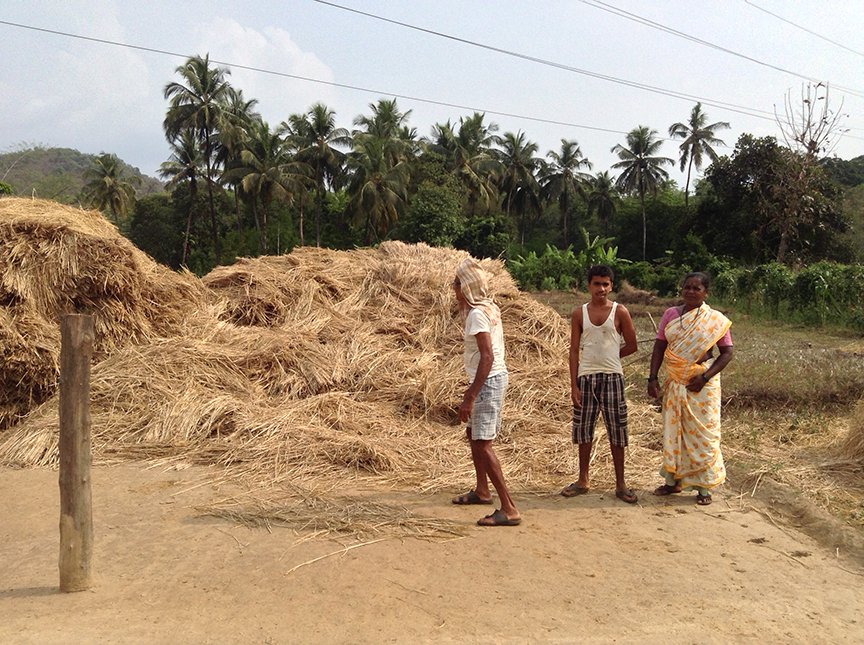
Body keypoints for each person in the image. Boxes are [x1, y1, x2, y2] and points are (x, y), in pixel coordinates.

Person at [647, 272, 734, 506]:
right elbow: (659, 347)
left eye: (697, 288)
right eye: (687, 287)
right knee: (674, 431)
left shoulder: (714, 319)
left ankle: (703, 487)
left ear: (706, 293)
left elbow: (726, 353)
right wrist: (652, 378)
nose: (691, 292)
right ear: (681, 289)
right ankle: (672, 482)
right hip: (675, 380)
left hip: (702, 385)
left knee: (703, 434)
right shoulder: (670, 315)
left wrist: (704, 377)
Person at [450, 257, 521, 527]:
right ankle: (482, 491)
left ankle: (509, 508)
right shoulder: (487, 307)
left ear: (466, 287)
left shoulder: (478, 314)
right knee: (473, 435)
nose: (453, 288)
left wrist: (469, 396)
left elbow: (487, 357)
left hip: (489, 382)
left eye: (457, 284)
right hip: (490, 380)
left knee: (482, 443)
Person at [561, 265, 639, 504]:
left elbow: (632, 345)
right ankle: (583, 480)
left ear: (611, 286)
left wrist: (613, 358)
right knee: (584, 430)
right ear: (589, 285)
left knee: (617, 430)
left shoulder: (620, 311)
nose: (601, 289)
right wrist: (574, 385)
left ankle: (620, 484)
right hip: (586, 378)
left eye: (606, 284)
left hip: (613, 378)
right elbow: (574, 351)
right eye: (597, 284)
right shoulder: (579, 313)